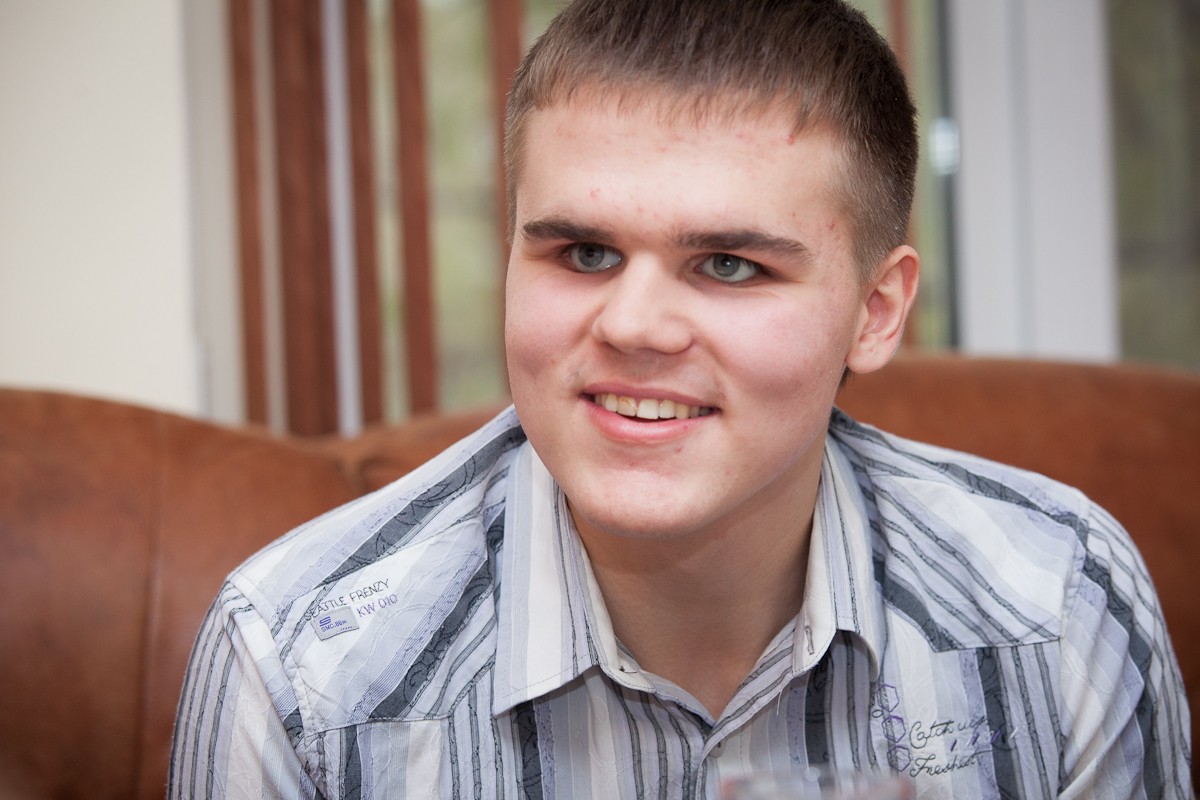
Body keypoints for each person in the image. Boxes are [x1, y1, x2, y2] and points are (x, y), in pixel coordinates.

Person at [169, 0, 1192, 797]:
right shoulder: (297, 671)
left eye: (731, 265)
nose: (634, 325)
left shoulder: (1058, 604)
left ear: (875, 312)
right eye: (584, 252)